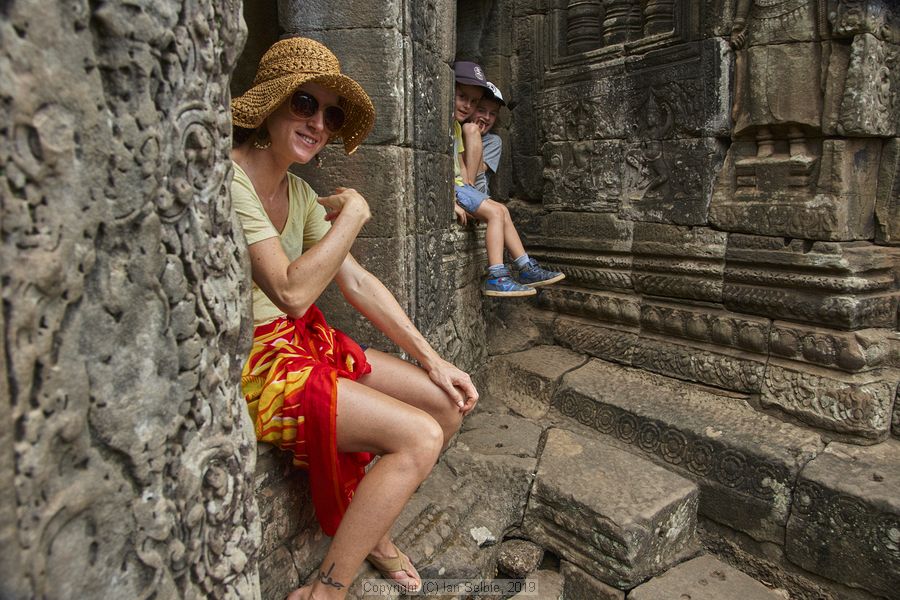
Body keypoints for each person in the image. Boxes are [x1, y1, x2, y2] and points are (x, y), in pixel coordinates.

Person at [230, 37, 479, 600]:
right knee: (419, 437)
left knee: (446, 405)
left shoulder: (297, 191)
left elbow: (358, 282)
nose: (319, 124)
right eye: (304, 104)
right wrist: (356, 214)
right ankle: (329, 588)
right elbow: (291, 292)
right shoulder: (231, 180)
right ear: (270, 103)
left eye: (331, 114)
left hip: (300, 342)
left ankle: (370, 528)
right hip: (256, 363)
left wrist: (434, 361)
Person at [451, 62, 565, 297]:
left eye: (473, 101)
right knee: (496, 213)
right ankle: (497, 275)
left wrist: (465, 190)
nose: (469, 106)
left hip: (466, 188)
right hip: (459, 190)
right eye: (463, 98)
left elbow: (462, 166)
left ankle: (525, 267)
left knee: (502, 210)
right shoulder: (456, 127)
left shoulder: (472, 134)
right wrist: (453, 199)